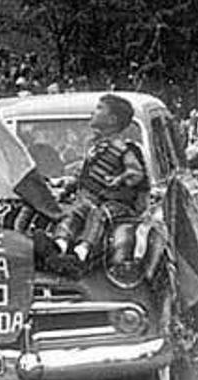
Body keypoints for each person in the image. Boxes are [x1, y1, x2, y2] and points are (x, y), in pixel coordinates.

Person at [52, 94, 148, 264]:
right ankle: (60, 242)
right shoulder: (93, 145)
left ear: (112, 120)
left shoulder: (125, 149)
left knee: (99, 214)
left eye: (99, 108)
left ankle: (84, 249)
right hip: (90, 199)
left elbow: (135, 174)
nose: (93, 113)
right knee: (77, 212)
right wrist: (64, 185)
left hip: (116, 204)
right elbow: (84, 174)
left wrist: (119, 179)